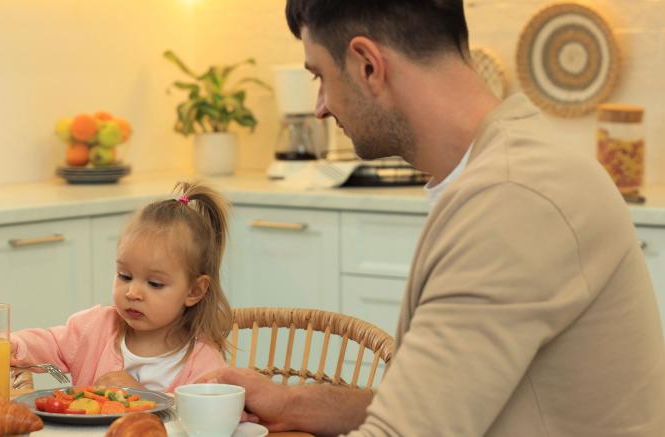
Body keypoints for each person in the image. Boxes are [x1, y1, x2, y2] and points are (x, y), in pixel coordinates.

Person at [199, 1, 665, 436]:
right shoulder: (506, 167)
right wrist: (296, 403)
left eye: (320, 76)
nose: (320, 106)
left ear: (367, 65)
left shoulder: (510, 200)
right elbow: (444, 400)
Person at [9, 182, 233, 393]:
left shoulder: (205, 364)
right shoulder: (96, 328)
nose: (132, 293)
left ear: (194, 291)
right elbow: (51, 344)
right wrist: (11, 345)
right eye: (124, 276)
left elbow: (209, 421)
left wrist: (144, 397)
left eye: (154, 283)